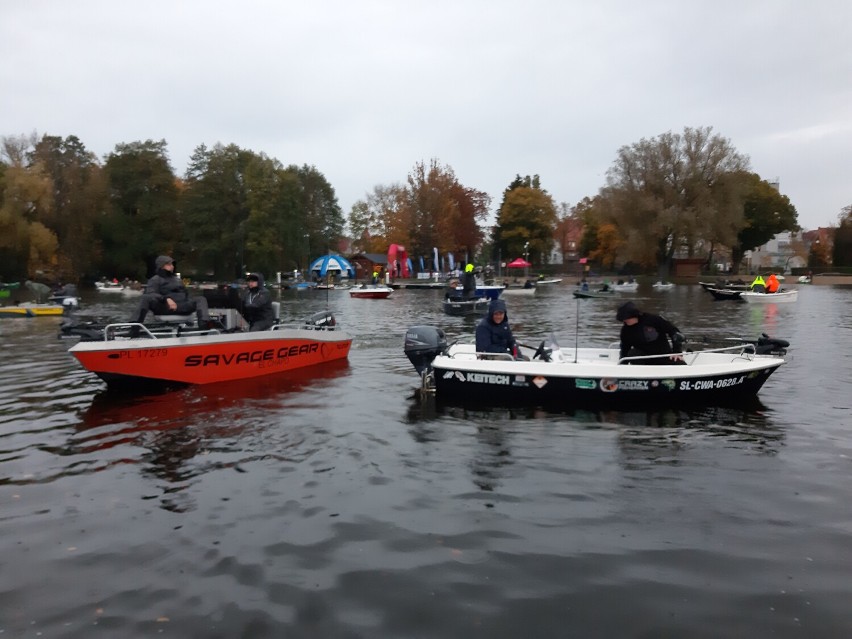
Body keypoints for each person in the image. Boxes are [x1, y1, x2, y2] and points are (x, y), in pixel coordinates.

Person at [130, 255, 211, 327]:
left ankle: (204, 324)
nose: (172, 266)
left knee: (201, 299)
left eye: (172, 264)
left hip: (181, 306)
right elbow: (151, 294)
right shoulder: (155, 279)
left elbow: (186, 294)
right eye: (168, 264)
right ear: (161, 266)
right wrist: (166, 299)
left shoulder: (178, 280)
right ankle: (134, 327)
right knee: (146, 297)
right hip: (165, 307)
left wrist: (188, 302)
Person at [616, 301, 685, 365]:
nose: (625, 321)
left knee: (681, 365)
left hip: (664, 356)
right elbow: (625, 349)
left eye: (626, 318)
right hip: (644, 360)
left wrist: (677, 352)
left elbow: (674, 333)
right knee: (632, 354)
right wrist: (621, 366)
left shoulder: (654, 319)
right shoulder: (625, 331)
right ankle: (643, 376)